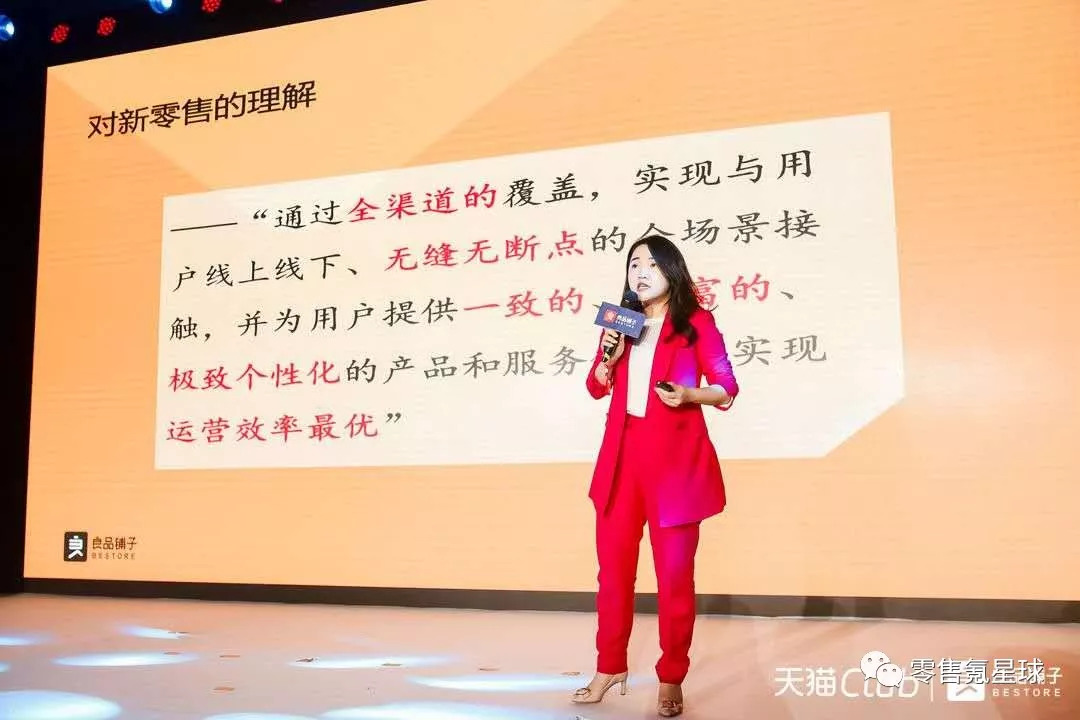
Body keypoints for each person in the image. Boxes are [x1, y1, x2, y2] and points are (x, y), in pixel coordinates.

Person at [570, 235, 740, 718]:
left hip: (675, 470)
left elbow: (726, 387)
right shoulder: (621, 322)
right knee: (612, 576)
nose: (640, 272)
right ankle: (609, 667)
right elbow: (596, 386)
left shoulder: (695, 323)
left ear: (672, 270)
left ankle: (671, 677)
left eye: (650, 264)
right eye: (633, 264)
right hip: (620, 465)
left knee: (674, 580)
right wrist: (607, 361)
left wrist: (689, 395)